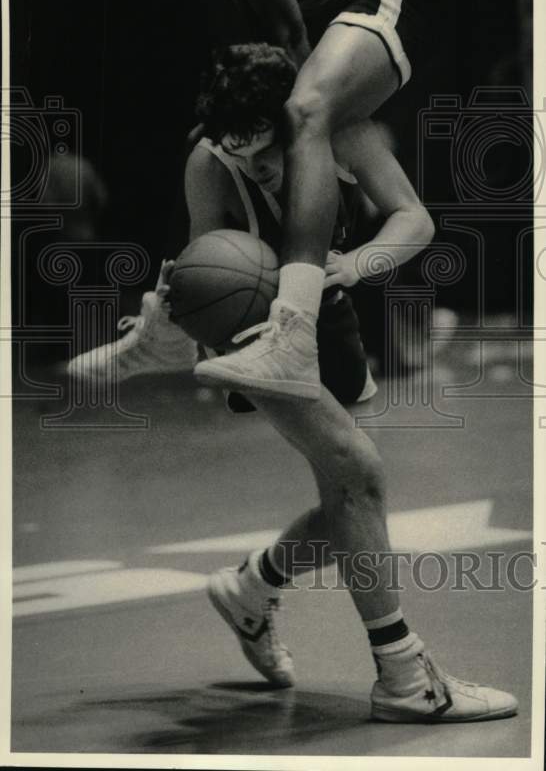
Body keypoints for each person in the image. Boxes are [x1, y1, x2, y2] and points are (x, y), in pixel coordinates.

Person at [68, 44, 517, 721]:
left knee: (353, 500)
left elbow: (414, 218)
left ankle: (254, 587)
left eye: (266, 155)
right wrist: (197, 309)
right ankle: (403, 677)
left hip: (324, 308)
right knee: (357, 472)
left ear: (294, 117)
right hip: (254, 326)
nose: (254, 168)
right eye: (238, 155)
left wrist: (357, 263)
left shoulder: (339, 127)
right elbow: (214, 267)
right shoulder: (210, 162)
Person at [79, 0, 446, 401]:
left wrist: (293, 111)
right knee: (212, 141)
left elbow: (283, 27)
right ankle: (169, 324)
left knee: (305, 114)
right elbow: (255, 20)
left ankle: (294, 332)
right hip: (328, 17)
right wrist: (237, 119)